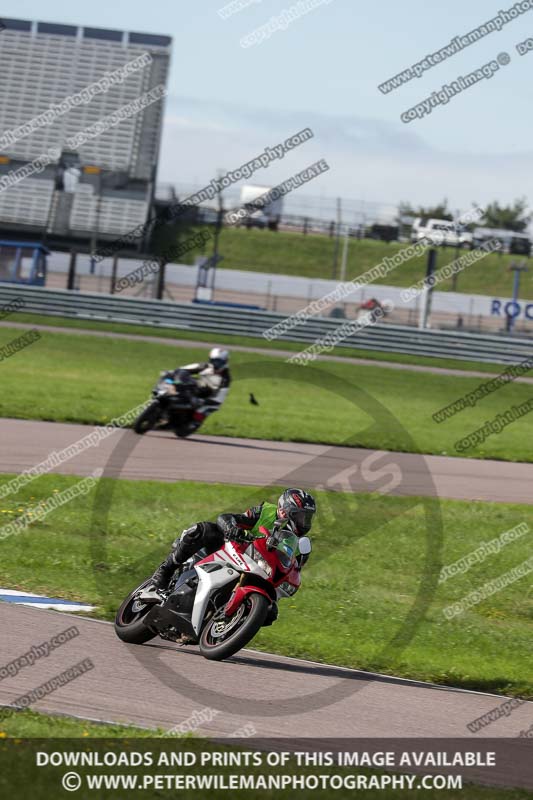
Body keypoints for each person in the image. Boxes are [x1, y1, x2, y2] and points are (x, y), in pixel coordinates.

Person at [139, 488, 317, 609]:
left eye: (307, 518)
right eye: (300, 516)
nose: (304, 522)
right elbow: (227, 517)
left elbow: (294, 570)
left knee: (271, 612)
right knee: (204, 530)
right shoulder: (265, 512)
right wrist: (232, 528)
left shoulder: (300, 545)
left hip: (262, 573)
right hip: (235, 553)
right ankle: (163, 575)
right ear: (285, 510)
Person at [170, 347, 231, 433]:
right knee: (170, 378)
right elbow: (183, 369)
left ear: (225, 361)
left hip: (208, 398)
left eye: (219, 362)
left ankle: (194, 423)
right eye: (214, 361)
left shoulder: (225, 379)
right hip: (197, 389)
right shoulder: (205, 366)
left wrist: (202, 401)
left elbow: (219, 399)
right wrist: (179, 376)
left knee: (202, 409)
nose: (216, 364)